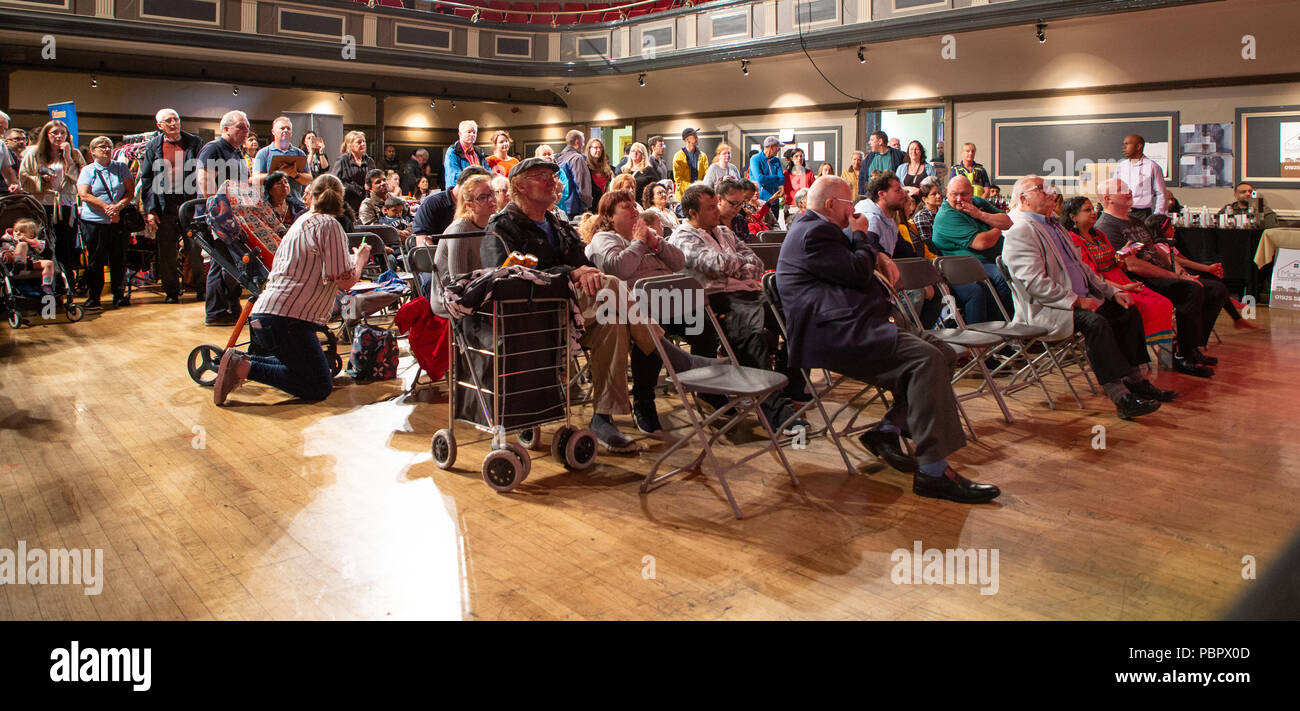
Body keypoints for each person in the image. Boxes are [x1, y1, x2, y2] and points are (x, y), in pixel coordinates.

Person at [776, 175, 1000, 504]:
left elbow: (856, 264)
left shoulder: (821, 229)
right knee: (927, 359)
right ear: (830, 205)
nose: (854, 210)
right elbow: (855, 271)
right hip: (838, 332)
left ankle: (888, 430)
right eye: (848, 203)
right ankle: (933, 472)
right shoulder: (813, 232)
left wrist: (875, 252)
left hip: (859, 320)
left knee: (942, 352)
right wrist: (861, 235)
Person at [482, 158, 712, 452]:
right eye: (542, 176)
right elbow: (503, 277)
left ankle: (602, 418)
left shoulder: (557, 223)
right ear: (519, 186)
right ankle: (675, 359)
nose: (553, 180)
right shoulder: (502, 226)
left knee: (613, 323)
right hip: (533, 315)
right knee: (613, 284)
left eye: (554, 175)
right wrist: (571, 273)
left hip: (576, 312)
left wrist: (586, 271)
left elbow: (586, 263)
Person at [1002, 175, 1173, 420]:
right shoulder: (1021, 231)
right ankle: (1121, 397)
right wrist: (1075, 301)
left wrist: (1113, 292)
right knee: (1097, 324)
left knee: (1128, 310)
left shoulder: (1055, 226)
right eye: (1040, 189)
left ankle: (1136, 381)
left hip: (1082, 300)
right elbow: (1034, 284)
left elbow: (1084, 269)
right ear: (1023, 199)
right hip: (1052, 308)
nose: (1050, 192)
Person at [213, 174, 370, 406]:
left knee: (305, 370)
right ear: (341, 199)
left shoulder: (302, 221)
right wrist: (360, 259)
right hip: (289, 320)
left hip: (271, 316)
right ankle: (243, 367)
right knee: (318, 386)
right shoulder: (330, 225)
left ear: (311, 197)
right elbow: (345, 280)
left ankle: (239, 361)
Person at [669, 183, 807, 434]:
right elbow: (714, 265)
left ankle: (790, 388)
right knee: (751, 337)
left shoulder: (724, 232)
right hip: (717, 300)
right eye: (710, 208)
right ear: (692, 213)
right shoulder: (682, 237)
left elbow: (756, 261)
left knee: (799, 317)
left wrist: (736, 265)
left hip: (751, 292)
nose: (716, 212)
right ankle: (777, 413)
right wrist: (740, 265)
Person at [584, 189, 690, 434]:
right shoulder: (604, 239)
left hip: (670, 300)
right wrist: (640, 244)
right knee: (638, 327)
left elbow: (678, 263)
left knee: (704, 323)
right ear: (609, 216)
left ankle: (710, 392)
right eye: (626, 207)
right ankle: (644, 401)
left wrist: (656, 243)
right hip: (637, 305)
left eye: (634, 206)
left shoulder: (648, 236)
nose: (634, 210)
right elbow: (618, 270)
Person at [1095, 178, 1223, 376]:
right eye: (1122, 189)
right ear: (1107, 198)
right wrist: (1176, 277)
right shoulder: (1106, 226)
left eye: (1128, 187)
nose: (1129, 191)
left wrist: (1180, 271)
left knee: (1216, 289)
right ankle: (1182, 355)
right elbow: (1132, 264)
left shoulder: (1136, 221)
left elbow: (1155, 250)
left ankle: (1192, 346)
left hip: (1163, 273)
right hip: (1141, 280)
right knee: (1192, 290)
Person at [1062, 195, 1175, 349]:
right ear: (1073, 217)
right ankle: (1132, 352)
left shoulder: (1099, 235)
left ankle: (1140, 351)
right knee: (1139, 306)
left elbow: (1115, 262)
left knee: (1163, 302)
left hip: (1119, 278)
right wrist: (1121, 288)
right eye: (1088, 210)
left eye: (1094, 208)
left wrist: (1123, 254)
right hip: (1101, 286)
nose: (1094, 212)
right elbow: (1090, 275)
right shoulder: (1073, 240)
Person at [1146, 213, 1259, 331]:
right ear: (1161, 230)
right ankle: (1228, 304)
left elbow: (1184, 260)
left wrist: (1208, 268)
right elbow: (1180, 264)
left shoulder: (1168, 245)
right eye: (1170, 227)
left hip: (1182, 275)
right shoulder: (1160, 246)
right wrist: (1204, 269)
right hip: (1175, 279)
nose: (1174, 229)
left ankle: (1232, 310)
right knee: (1214, 284)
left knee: (1213, 277)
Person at [138, 107, 204, 303]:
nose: (174, 124)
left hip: (189, 203)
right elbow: (147, 179)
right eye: (168, 121)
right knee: (166, 250)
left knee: (195, 248)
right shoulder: (153, 147)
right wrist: (150, 209)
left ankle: (201, 288)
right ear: (160, 125)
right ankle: (171, 292)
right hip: (165, 204)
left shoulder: (194, 142)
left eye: (176, 119)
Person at [931, 175, 1015, 322]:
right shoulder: (946, 216)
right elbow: (982, 243)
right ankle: (1004, 328)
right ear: (946, 192)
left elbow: (1008, 222)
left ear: (971, 192)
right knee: (1003, 276)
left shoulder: (977, 203)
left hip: (990, 259)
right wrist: (996, 225)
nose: (959, 199)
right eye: (954, 194)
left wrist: (980, 215)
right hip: (961, 266)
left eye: (964, 194)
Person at [197, 110, 253, 326]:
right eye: (241, 126)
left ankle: (231, 305)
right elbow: (205, 183)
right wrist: (216, 212)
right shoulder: (213, 148)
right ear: (226, 129)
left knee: (235, 264)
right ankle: (215, 312)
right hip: (217, 218)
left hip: (236, 217)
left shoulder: (238, 152)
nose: (246, 130)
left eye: (247, 126)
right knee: (219, 263)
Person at [18, 119, 85, 289]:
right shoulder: (34, 153)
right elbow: (23, 177)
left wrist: (68, 157)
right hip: (42, 204)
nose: (58, 136)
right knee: (44, 245)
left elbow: (81, 179)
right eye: (54, 133)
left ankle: (66, 287)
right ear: (46, 135)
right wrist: (41, 179)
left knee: (66, 247)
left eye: (62, 133)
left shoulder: (74, 153)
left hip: (66, 205)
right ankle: (46, 286)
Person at [75, 136, 137, 308]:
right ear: (93, 151)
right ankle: (94, 296)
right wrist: (106, 207)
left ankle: (119, 294)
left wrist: (117, 207)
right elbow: (84, 194)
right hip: (94, 221)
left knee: (119, 259)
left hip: (117, 221)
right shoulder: (88, 170)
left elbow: (129, 191)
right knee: (96, 259)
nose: (106, 149)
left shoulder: (121, 167)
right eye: (101, 146)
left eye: (109, 146)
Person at [430, 173, 494, 316]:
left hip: (478, 291)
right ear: (469, 204)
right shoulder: (460, 230)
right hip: (451, 298)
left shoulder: (492, 225)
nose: (491, 200)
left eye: (492, 194)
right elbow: (458, 281)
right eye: (483, 197)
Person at [413, 164, 491, 245]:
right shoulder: (431, 204)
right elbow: (422, 243)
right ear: (467, 186)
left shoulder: (481, 206)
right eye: (482, 194)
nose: (489, 198)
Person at [252, 116, 310, 200]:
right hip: (270, 203)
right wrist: (277, 174)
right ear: (273, 131)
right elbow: (255, 180)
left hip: (295, 203)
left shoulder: (299, 153)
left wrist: (295, 174)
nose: (285, 130)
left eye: (288, 128)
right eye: (282, 128)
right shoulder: (263, 153)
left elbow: (308, 180)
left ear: (291, 132)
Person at [1114, 134, 1167, 220]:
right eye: (1123, 144)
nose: (1123, 147)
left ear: (1138, 146)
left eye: (1127, 144)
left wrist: (1158, 216)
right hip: (1122, 213)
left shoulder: (1152, 166)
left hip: (1142, 215)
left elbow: (1161, 194)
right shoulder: (1121, 166)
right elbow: (1114, 190)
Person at [3, 218, 56, 293]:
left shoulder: (35, 241)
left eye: (22, 232)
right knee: (22, 245)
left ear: (31, 234)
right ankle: (19, 263)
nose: (17, 233)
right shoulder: (10, 239)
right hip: (14, 262)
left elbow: (40, 248)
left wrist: (27, 240)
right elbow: (4, 245)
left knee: (49, 263)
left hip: (30, 262)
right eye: (15, 231)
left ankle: (46, 285)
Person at [330, 130, 376, 215]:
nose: (362, 144)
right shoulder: (342, 160)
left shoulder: (369, 161)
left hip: (365, 201)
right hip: (347, 201)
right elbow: (334, 181)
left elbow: (374, 179)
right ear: (350, 145)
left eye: (364, 141)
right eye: (359, 142)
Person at [860, 130, 907, 197]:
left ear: (880, 141)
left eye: (872, 140)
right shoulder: (869, 158)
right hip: (871, 196)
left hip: (890, 197)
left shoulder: (898, 155)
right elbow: (862, 177)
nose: (869, 142)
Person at [443, 120, 485, 189]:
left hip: (477, 191)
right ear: (460, 134)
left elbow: (486, 171)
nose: (472, 135)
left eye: (474, 132)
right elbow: (455, 176)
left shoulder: (479, 152)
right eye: (469, 132)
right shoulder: (452, 152)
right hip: (459, 192)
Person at [673, 129, 711, 202]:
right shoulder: (678, 156)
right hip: (683, 197)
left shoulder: (703, 156)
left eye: (697, 136)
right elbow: (679, 179)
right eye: (694, 136)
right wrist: (692, 188)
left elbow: (707, 175)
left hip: (700, 196)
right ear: (687, 140)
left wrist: (701, 188)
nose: (697, 138)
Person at [783, 147, 815, 224]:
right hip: (791, 208)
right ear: (792, 158)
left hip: (805, 208)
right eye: (796, 156)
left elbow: (814, 190)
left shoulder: (809, 173)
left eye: (801, 156)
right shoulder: (786, 174)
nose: (799, 158)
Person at [749, 136, 784, 202]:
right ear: (771, 147)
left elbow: (782, 180)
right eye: (778, 148)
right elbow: (760, 179)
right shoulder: (755, 159)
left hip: (775, 199)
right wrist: (775, 177)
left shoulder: (776, 160)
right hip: (761, 200)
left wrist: (765, 181)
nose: (778, 150)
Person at [586, 137, 612, 209]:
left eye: (600, 148)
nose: (598, 150)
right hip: (592, 206)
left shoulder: (605, 167)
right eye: (595, 147)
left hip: (605, 205)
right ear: (589, 149)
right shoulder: (585, 167)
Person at [0, 111, 20, 192]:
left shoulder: (1, 145)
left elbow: (7, 170)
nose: (2, 132)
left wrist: (14, 184)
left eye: (4, 129)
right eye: (0, 127)